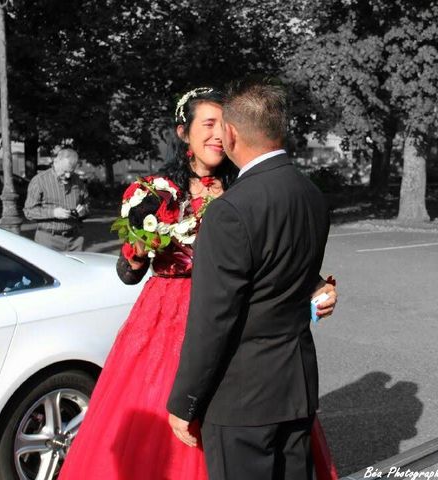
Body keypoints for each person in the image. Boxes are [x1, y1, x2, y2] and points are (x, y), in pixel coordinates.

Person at [59, 87, 338, 480]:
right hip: (165, 325)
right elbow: (128, 274)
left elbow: (278, 255)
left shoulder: (244, 186)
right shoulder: (155, 194)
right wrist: (137, 253)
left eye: (222, 125)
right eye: (207, 125)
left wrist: (317, 286)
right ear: (183, 132)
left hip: (232, 330)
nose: (217, 135)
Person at [167, 77, 332, 480]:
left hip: (242, 398)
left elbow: (213, 320)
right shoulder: (312, 194)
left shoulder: (231, 209)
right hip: (296, 387)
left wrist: (184, 402)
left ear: (232, 132)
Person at [23, 148, 89, 251]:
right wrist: (53, 213)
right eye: (65, 171)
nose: (68, 175)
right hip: (48, 240)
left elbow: (87, 205)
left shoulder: (78, 182)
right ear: (56, 162)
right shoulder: (39, 181)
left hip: (75, 241)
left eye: (71, 172)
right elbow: (28, 211)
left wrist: (84, 211)